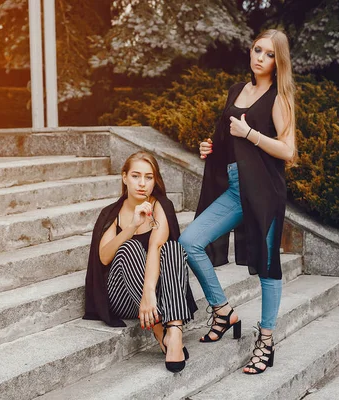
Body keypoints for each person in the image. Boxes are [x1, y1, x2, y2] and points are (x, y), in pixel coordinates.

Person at [178, 29, 297, 375]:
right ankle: (223, 310)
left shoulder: (279, 98)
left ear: (278, 62)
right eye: (257, 49)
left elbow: (288, 150)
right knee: (189, 242)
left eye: (269, 54)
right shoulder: (237, 90)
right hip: (233, 188)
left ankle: (266, 340)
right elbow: (227, 140)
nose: (260, 57)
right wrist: (210, 148)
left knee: (267, 265)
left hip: (264, 191)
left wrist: (251, 134)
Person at [84, 150, 198, 373]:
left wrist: (148, 293)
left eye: (149, 177)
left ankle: (174, 331)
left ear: (155, 180)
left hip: (154, 297)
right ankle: (159, 330)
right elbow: (104, 256)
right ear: (124, 177)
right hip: (123, 297)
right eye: (136, 176)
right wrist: (133, 226)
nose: (142, 183)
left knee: (173, 248)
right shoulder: (111, 213)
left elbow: (156, 246)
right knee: (130, 247)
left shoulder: (161, 206)